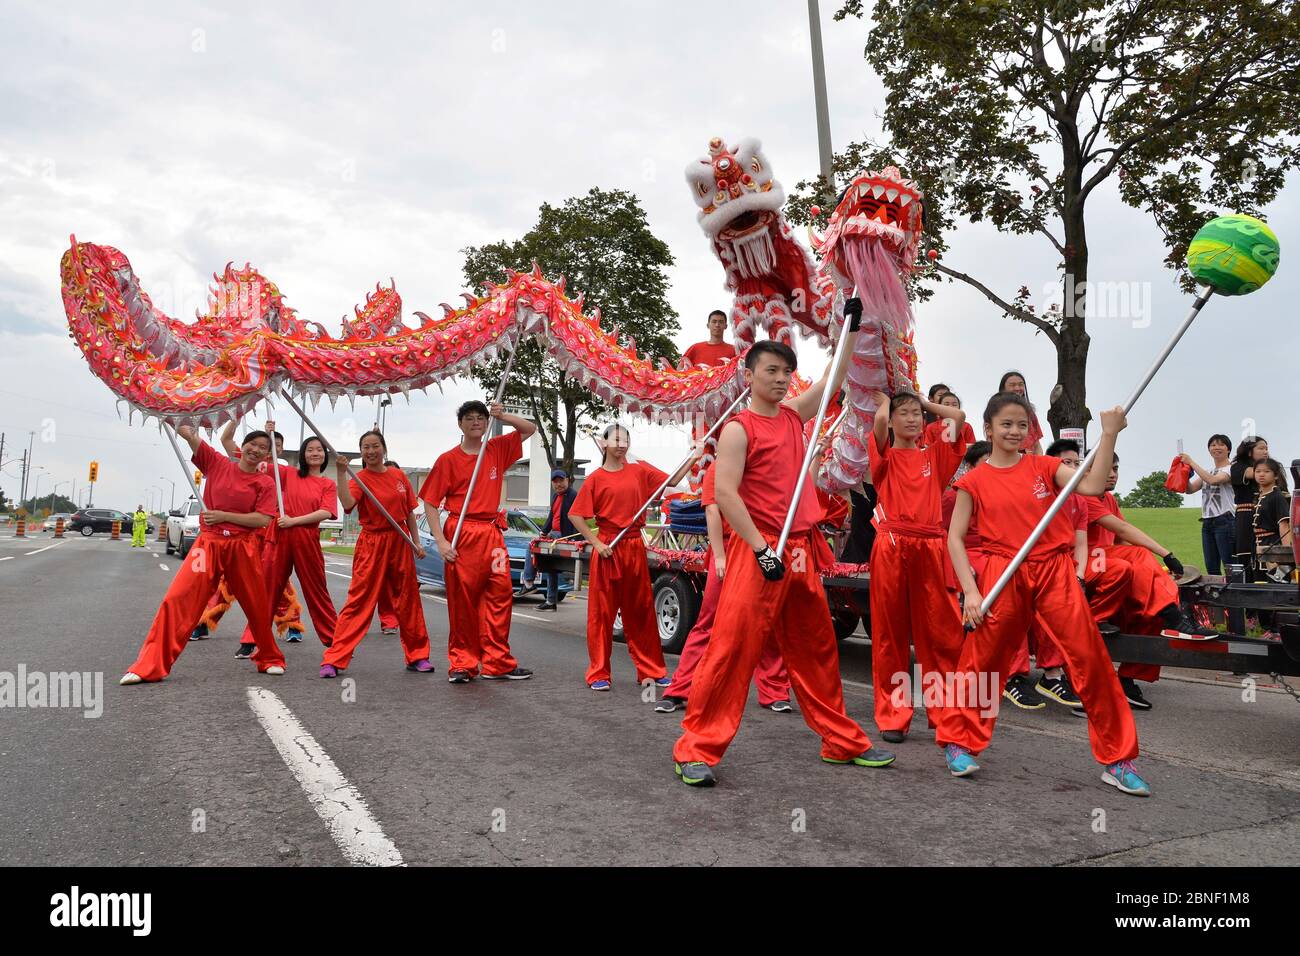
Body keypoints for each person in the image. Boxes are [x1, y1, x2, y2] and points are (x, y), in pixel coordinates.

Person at [672, 299, 897, 788]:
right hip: (760, 549)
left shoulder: (795, 417)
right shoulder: (738, 429)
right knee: (732, 650)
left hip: (799, 546)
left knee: (816, 649)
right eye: (771, 370)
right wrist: (757, 548)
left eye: (785, 371)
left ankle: (841, 740)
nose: (780, 378)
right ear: (750, 376)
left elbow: (834, 381)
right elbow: (727, 495)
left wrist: (851, 329)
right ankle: (696, 749)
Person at [943, 392, 1149, 796]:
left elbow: (1090, 486)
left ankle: (1117, 758)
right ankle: (959, 741)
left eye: (1022, 425)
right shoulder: (973, 481)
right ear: (988, 429)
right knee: (982, 658)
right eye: (1006, 424)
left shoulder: (1044, 467)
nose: (1014, 431)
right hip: (1005, 570)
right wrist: (970, 592)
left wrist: (1108, 436)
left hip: (1053, 568)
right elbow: (955, 538)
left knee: (1089, 656)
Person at [120, 427, 286, 684]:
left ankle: (270, 657)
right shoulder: (217, 463)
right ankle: (149, 665)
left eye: (264, 448)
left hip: (242, 547)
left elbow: (262, 519)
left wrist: (224, 516)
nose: (256, 450)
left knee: (256, 604)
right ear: (243, 446)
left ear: (267, 455)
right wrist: (174, 415)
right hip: (207, 545)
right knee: (178, 598)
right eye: (253, 444)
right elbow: (190, 435)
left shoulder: (265, 483)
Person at [866, 387, 968, 743]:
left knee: (941, 633)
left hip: (931, 545)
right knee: (889, 634)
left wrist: (923, 403)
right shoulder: (883, 456)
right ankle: (893, 715)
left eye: (916, 415)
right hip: (892, 544)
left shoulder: (934, 457)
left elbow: (957, 418)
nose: (911, 419)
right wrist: (888, 400)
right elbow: (879, 420)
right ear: (892, 419)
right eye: (903, 413)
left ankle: (943, 712)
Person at [655, 460, 792, 715]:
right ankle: (679, 689)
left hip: (761, 545)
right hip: (728, 548)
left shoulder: (767, 463)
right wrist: (719, 554)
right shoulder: (722, 463)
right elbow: (712, 511)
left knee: (766, 620)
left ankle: (774, 691)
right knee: (710, 621)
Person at [570, 423, 696, 691]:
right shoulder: (595, 479)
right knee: (601, 614)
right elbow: (576, 515)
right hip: (608, 548)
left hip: (634, 546)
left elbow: (671, 480)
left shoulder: (639, 471)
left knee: (640, 612)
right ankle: (599, 673)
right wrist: (595, 543)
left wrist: (693, 457)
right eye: (615, 439)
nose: (621, 444)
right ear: (604, 443)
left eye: (625, 439)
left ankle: (651, 670)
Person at [1085, 453, 1216, 709]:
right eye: (1106, 468)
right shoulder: (1083, 498)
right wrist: (1166, 554)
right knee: (1136, 556)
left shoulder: (1109, 499)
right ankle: (1174, 616)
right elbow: (1123, 532)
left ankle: (1128, 678)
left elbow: (1121, 539)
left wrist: (1155, 571)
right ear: (1088, 472)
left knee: (1148, 614)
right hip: (1088, 565)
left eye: (1115, 469)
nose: (1112, 474)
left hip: (1112, 569)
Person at [420, 401, 536, 683]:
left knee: (500, 595)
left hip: (492, 534)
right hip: (462, 531)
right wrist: (442, 541)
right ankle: (463, 663)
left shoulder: (495, 449)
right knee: (463, 602)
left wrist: (503, 415)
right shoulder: (448, 460)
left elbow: (529, 429)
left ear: (486, 423)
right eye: (469, 418)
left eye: (481, 418)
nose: (475, 422)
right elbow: (430, 503)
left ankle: (498, 663)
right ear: (460, 424)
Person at [320, 431, 432, 677]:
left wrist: (416, 543)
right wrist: (340, 472)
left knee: (408, 599)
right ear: (361, 452)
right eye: (365, 447)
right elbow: (348, 503)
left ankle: (418, 655)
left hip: (400, 540)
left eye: (375, 446)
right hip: (372, 542)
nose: (370, 451)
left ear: (384, 448)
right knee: (358, 601)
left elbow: (410, 513)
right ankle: (334, 659)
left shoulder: (399, 475)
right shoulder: (357, 478)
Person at [234, 434, 339, 649]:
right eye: (310, 449)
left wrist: (293, 521)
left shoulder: (327, 484)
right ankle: (251, 640)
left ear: (325, 455)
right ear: (303, 454)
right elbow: (246, 458)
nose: (315, 453)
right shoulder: (287, 473)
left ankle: (335, 642)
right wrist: (266, 434)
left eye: (319, 449)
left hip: (306, 539)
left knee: (317, 592)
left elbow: (326, 512)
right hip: (279, 536)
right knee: (266, 589)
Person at [520, 469, 578, 611]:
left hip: (564, 536)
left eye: (561, 480)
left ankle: (528, 583)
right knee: (551, 566)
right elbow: (551, 517)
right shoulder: (555, 497)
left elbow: (578, 517)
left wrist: (574, 537)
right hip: (554, 535)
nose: (558, 484)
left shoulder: (573, 496)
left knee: (531, 545)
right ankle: (551, 601)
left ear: (567, 480)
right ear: (552, 483)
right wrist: (543, 532)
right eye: (555, 481)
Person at [1181, 434, 1237, 576]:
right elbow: (1190, 489)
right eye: (1213, 445)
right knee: (1211, 567)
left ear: (1228, 449)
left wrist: (1191, 462)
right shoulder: (1209, 471)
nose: (1216, 447)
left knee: (1230, 566)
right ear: (1209, 449)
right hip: (1207, 522)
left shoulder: (1231, 469)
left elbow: (1213, 480)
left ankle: (1234, 595)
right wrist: (1185, 474)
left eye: (1221, 444)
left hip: (1225, 519)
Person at [1231, 437, 1271, 570]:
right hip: (1246, 515)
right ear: (1249, 452)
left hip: (1267, 515)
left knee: (1267, 550)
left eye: (1266, 448)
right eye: (1261, 448)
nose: (1265, 451)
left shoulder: (1272, 468)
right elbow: (1252, 473)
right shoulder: (1237, 467)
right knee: (1245, 553)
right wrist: (1271, 471)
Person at [1252, 458, 1293, 571]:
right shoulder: (1257, 497)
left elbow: (1284, 525)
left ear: (1275, 476)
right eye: (1258, 471)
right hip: (1258, 545)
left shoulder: (1277, 496)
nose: (1261, 474)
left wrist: (1286, 555)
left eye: (1266, 471)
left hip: (1273, 545)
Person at [997, 371, 1044, 454]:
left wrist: (1039, 464)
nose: (1017, 388)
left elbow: (1037, 445)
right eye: (1012, 385)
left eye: (1021, 384)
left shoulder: (1030, 412)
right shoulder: (996, 411)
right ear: (1003, 388)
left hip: (1031, 462)